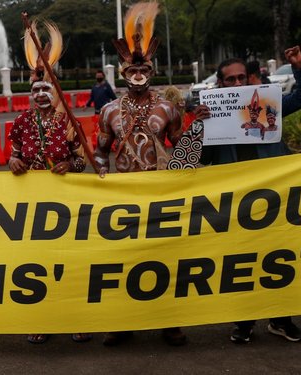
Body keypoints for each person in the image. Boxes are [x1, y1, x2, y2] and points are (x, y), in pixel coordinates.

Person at [197, 46, 301, 344]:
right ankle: (244, 322)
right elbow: (207, 159)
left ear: (250, 79)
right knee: (240, 262)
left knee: (278, 259)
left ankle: (281, 319)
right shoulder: (213, 113)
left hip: (274, 198)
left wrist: (299, 67)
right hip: (236, 201)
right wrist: (201, 125)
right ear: (219, 84)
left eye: (241, 79)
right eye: (229, 80)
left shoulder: (267, 104)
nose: (237, 85)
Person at [94, 2, 193, 346]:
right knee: (123, 260)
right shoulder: (108, 110)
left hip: (161, 193)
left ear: (151, 71)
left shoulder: (168, 107)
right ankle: (123, 323)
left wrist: (204, 132)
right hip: (122, 197)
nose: (138, 74)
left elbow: (182, 151)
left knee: (165, 257)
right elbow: (100, 152)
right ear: (122, 73)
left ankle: (170, 321)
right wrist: (100, 179)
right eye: (132, 70)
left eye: (144, 69)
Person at [9, 21, 89, 344]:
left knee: (68, 261)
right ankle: (41, 319)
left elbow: (83, 160)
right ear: (30, 95)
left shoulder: (69, 122)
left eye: (46, 90)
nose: (41, 95)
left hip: (66, 205)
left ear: (55, 91)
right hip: (32, 207)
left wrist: (71, 163)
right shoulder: (20, 123)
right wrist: (14, 162)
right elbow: (13, 157)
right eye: (36, 91)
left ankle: (75, 319)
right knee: (37, 263)